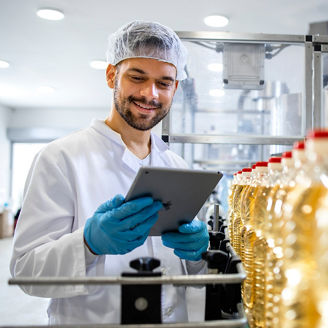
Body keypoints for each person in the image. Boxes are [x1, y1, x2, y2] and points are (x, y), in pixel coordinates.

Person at [10, 21, 209, 325]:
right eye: (137, 77)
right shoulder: (60, 158)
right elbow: (25, 271)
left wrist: (197, 257)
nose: (150, 94)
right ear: (111, 75)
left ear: (175, 88)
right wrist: (88, 244)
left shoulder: (177, 167)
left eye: (164, 82)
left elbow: (190, 274)